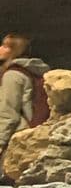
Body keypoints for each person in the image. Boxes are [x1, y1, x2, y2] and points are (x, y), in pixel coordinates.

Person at [0, 31, 49, 162]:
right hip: (32, 133)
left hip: (16, 137)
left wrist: (0, 143)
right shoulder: (34, 71)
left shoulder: (13, 75)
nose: (0, 49)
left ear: (15, 51)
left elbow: (8, 113)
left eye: (5, 46)